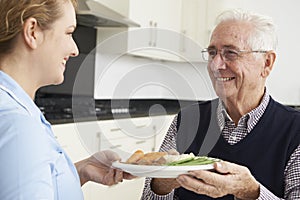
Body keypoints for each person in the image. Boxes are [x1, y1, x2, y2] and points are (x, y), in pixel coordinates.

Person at [141, 9, 300, 200]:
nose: (215, 65)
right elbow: (148, 197)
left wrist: (251, 193)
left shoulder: (295, 131)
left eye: (230, 53)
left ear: (266, 63)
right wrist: (163, 182)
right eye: (212, 53)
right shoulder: (187, 119)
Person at [0, 0, 133, 199]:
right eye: (69, 33)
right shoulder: (18, 125)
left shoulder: (15, 108)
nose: (75, 50)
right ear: (32, 32)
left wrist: (82, 170)